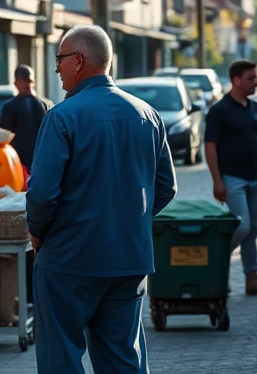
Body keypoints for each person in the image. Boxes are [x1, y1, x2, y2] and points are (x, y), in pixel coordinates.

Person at [27, 25, 176, 374]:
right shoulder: (147, 115)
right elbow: (166, 187)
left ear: (79, 60)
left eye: (60, 59)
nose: (56, 68)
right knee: (123, 357)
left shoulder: (61, 117)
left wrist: (38, 232)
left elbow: (42, 194)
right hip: (129, 259)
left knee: (61, 357)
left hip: (69, 258)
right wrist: (129, 221)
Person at [204, 60, 257, 296]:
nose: (256, 82)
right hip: (232, 179)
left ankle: (252, 278)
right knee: (242, 226)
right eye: (251, 78)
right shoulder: (219, 110)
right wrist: (217, 180)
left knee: (252, 229)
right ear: (236, 80)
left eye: (256, 78)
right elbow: (210, 147)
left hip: (254, 178)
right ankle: (215, 265)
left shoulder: (256, 108)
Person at [0, 64, 54, 180]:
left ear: (16, 82)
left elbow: (3, 139)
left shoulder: (9, 107)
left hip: (18, 165)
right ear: (33, 81)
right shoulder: (47, 105)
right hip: (43, 163)